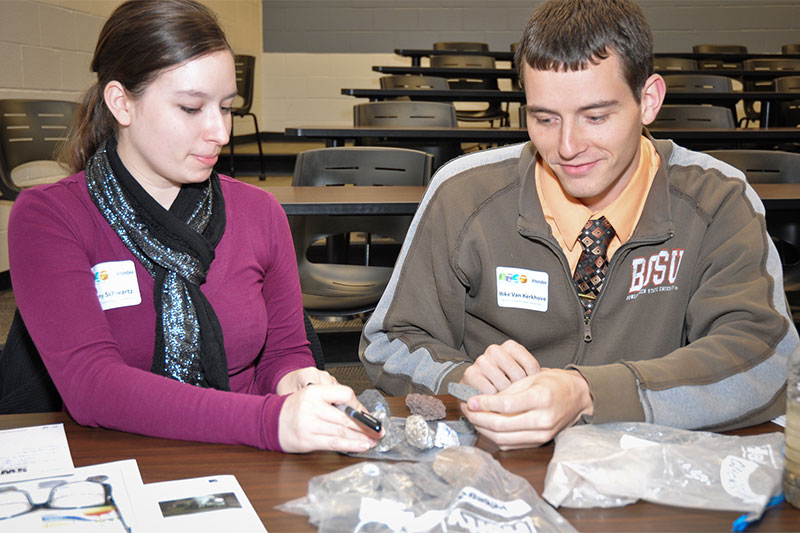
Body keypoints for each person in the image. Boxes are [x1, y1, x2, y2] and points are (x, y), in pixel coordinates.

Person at [360, 0, 798, 449]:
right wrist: (460, 375)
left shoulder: (717, 200)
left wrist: (591, 393)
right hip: (498, 461)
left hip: (650, 460)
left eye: (596, 116)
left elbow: (763, 355)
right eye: (544, 118)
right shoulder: (462, 194)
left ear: (648, 100)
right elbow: (390, 342)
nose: (567, 146)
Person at [8, 0, 381, 453]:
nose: (220, 133)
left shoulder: (260, 211)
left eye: (226, 108)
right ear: (122, 103)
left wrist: (296, 380)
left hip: (248, 457)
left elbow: (284, 352)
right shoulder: (51, 216)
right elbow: (92, 386)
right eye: (190, 108)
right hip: (119, 458)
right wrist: (271, 421)